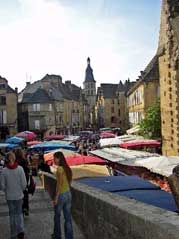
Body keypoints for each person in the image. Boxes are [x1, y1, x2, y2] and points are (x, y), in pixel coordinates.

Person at [1, 152, 27, 239]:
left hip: (9, 196)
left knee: (12, 215)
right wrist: (21, 190)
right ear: (14, 158)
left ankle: (13, 234)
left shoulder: (4, 171)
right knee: (19, 214)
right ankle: (20, 232)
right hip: (19, 195)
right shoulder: (20, 169)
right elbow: (24, 184)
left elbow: (2, 186)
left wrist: (7, 191)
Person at [52, 151, 73, 239]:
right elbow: (68, 182)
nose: (54, 160)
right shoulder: (67, 168)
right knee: (68, 218)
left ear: (59, 158)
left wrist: (56, 197)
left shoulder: (60, 169)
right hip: (68, 194)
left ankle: (57, 236)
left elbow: (59, 184)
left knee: (57, 216)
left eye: (55, 158)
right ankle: (69, 237)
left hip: (61, 195)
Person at [15, 148, 30, 216]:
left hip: (17, 179)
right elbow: (27, 170)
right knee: (25, 193)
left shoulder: (15, 161)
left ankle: (19, 207)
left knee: (18, 194)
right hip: (24, 178)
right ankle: (25, 208)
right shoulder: (24, 160)